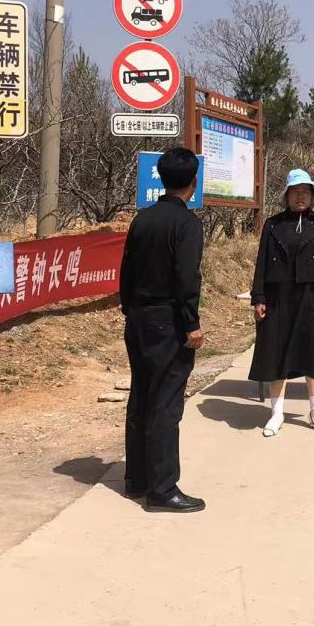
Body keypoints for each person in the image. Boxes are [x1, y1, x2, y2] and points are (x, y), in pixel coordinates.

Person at [118, 147, 206, 512]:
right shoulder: (187, 224)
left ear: (162, 178)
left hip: (138, 317)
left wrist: (129, 308)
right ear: (193, 182)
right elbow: (186, 278)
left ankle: (137, 478)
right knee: (166, 404)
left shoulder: (142, 219)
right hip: (169, 321)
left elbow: (126, 270)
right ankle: (163, 488)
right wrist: (192, 323)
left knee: (142, 396)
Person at [249, 168, 314, 437]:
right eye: (296, 192)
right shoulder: (273, 224)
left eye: (305, 192)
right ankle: (276, 413)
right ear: (287, 195)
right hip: (278, 299)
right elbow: (261, 263)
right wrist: (258, 297)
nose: (301, 197)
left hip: (311, 299)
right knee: (276, 354)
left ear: (312, 196)